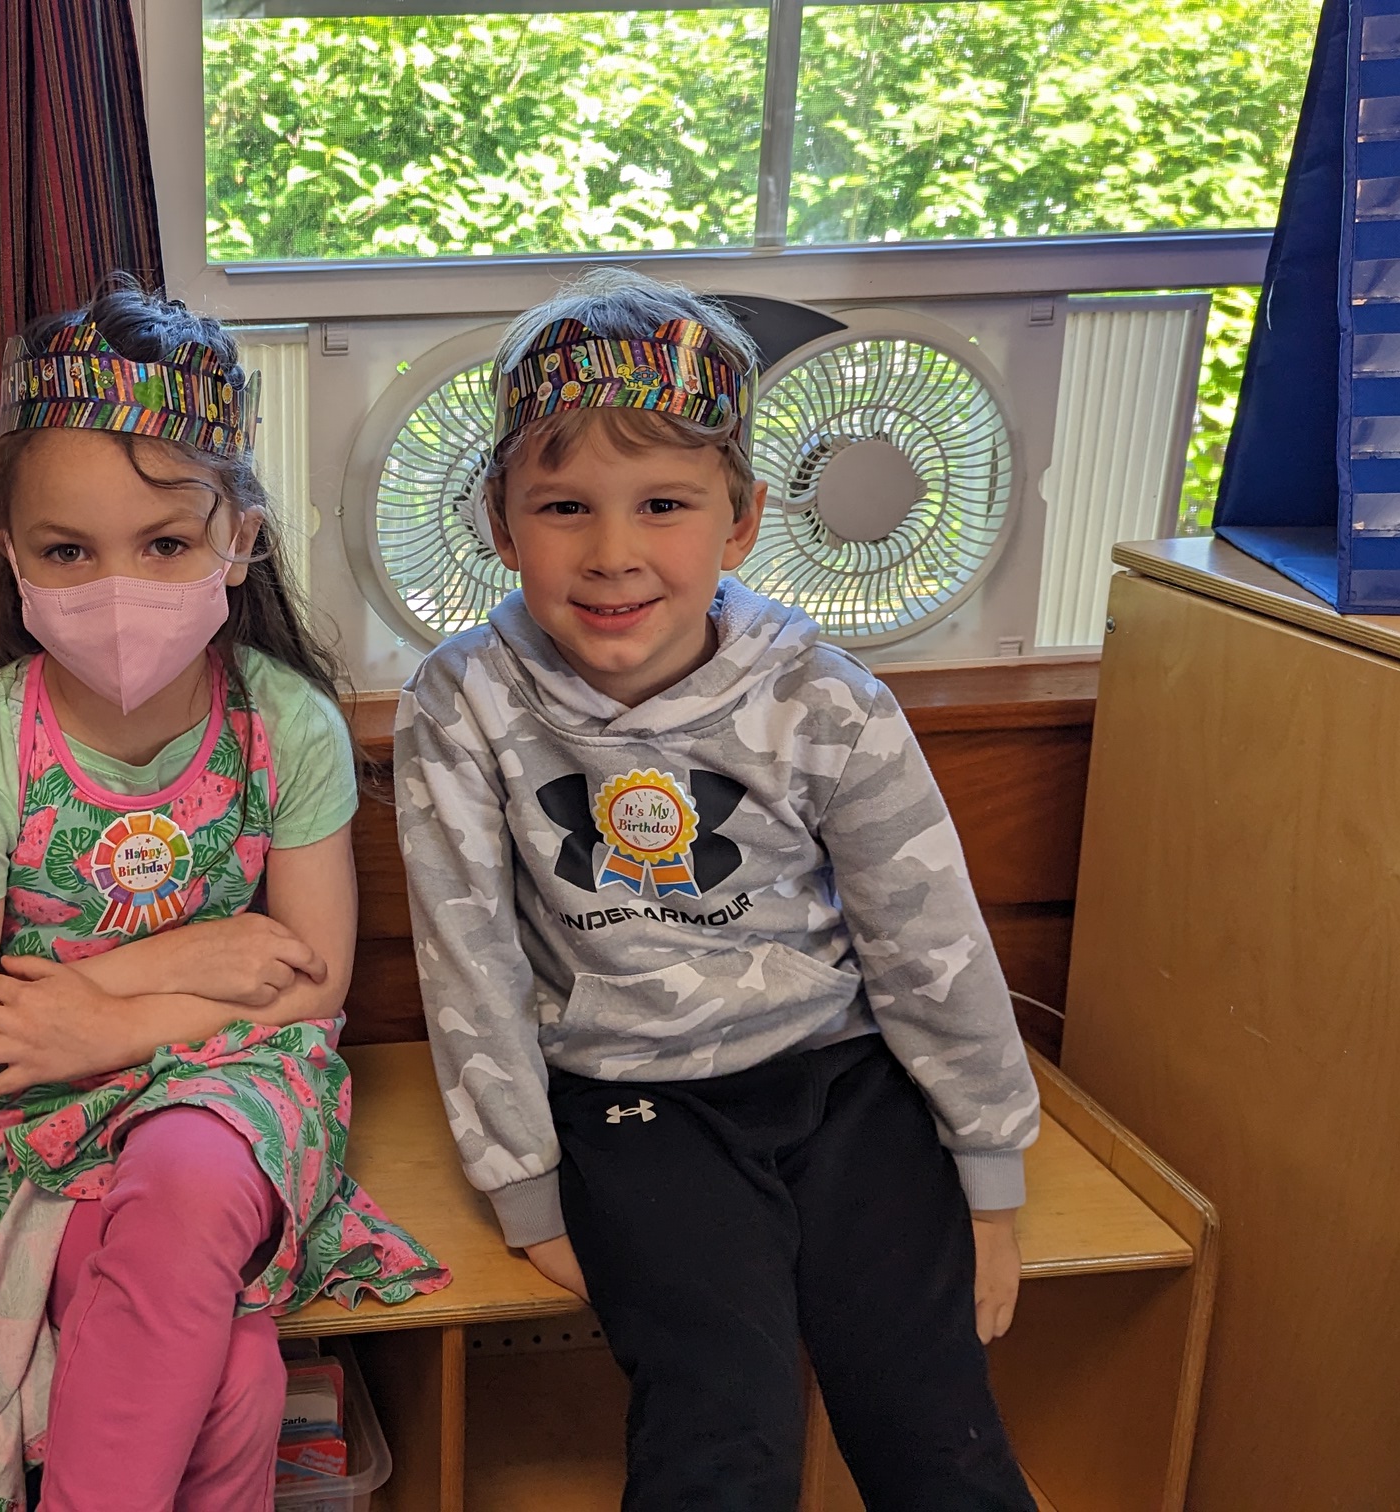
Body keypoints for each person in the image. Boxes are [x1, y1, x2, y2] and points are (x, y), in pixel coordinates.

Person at [395, 268, 1044, 1511]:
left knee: (933, 1421)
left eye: (664, 504)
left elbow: (929, 941)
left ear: (740, 520)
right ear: (500, 524)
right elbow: (466, 955)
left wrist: (988, 1165)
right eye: (564, 508)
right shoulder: (462, 700)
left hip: (843, 1078)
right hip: (633, 1100)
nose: (613, 554)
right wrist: (523, 1186)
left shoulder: (825, 698)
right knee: (721, 1419)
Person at [0, 282, 446, 1512]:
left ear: (240, 539)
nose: (118, 585)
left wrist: (103, 1019)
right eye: (68, 551)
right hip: (33, 1109)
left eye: (166, 545)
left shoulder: (286, 724)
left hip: (235, 1085)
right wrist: (177, 963)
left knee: (186, 1182)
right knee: (230, 1378)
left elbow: (311, 985)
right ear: (10, 555)